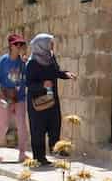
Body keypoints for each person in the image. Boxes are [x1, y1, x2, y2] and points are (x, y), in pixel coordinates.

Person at [24, 33, 74, 170]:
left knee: (54, 124)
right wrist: (42, 85)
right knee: (38, 130)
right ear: (42, 45)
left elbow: (56, 72)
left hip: (52, 100)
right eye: (50, 43)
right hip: (37, 102)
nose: (53, 46)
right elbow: (28, 83)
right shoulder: (32, 63)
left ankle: (56, 150)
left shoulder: (51, 58)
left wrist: (66, 74)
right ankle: (39, 158)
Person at [0, 32, 31, 163]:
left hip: (20, 97)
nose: (19, 46)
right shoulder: (4, 60)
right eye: (16, 44)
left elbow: (28, 77)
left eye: (21, 44)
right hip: (6, 96)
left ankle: (22, 152)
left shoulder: (23, 62)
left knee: (22, 124)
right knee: (3, 125)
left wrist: (26, 63)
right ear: (10, 46)